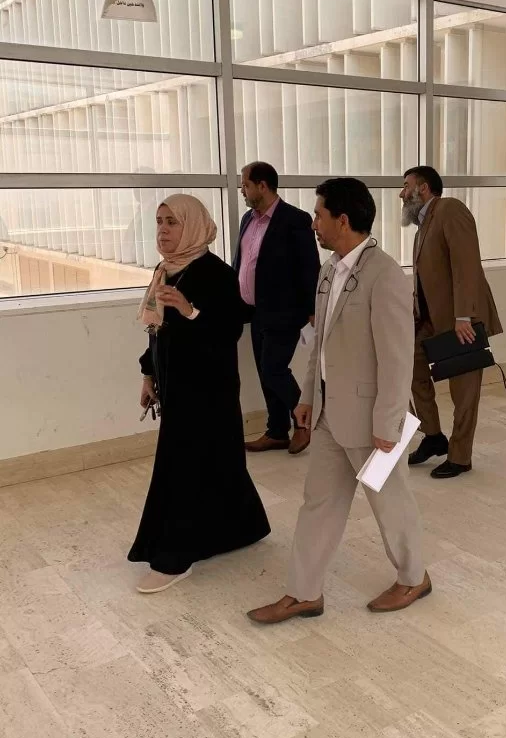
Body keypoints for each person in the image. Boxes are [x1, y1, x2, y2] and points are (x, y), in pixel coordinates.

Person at [247, 177, 430, 625]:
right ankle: (303, 592)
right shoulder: (329, 270)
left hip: (372, 419)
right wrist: (308, 395)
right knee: (318, 504)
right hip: (330, 414)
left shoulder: (385, 274)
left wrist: (388, 423)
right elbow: (321, 344)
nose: (313, 223)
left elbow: (397, 359)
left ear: (342, 220)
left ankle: (413, 577)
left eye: (319, 214)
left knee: (390, 504)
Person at [129, 195, 270, 592]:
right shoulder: (166, 270)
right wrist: (149, 374)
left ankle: (176, 554)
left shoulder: (215, 274)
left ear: (192, 225)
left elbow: (228, 331)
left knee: (184, 467)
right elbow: (157, 331)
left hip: (208, 390)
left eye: (172, 222)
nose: (163, 230)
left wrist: (190, 311)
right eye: (159, 221)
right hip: (176, 384)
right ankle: (243, 527)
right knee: (219, 462)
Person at [401, 166, 502, 479]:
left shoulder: (450, 210)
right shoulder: (422, 227)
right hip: (429, 320)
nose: (402, 194)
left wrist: (464, 316)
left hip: (460, 320)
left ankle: (460, 456)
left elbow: (466, 263)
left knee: (464, 392)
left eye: (406, 186)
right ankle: (433, 436)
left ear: (424, 188)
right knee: (411, 370)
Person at [234, 161, 320, 456]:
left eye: (245, 184)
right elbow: (243, 263)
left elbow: (309, 267)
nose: (242, 190)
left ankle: (303, 422)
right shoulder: (247, 219)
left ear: (262, 185)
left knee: (273, 370)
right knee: (264, 372)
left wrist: (312, 309)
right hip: (254, 311)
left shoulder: (295, 219)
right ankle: (277, 431)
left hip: (284, 312)